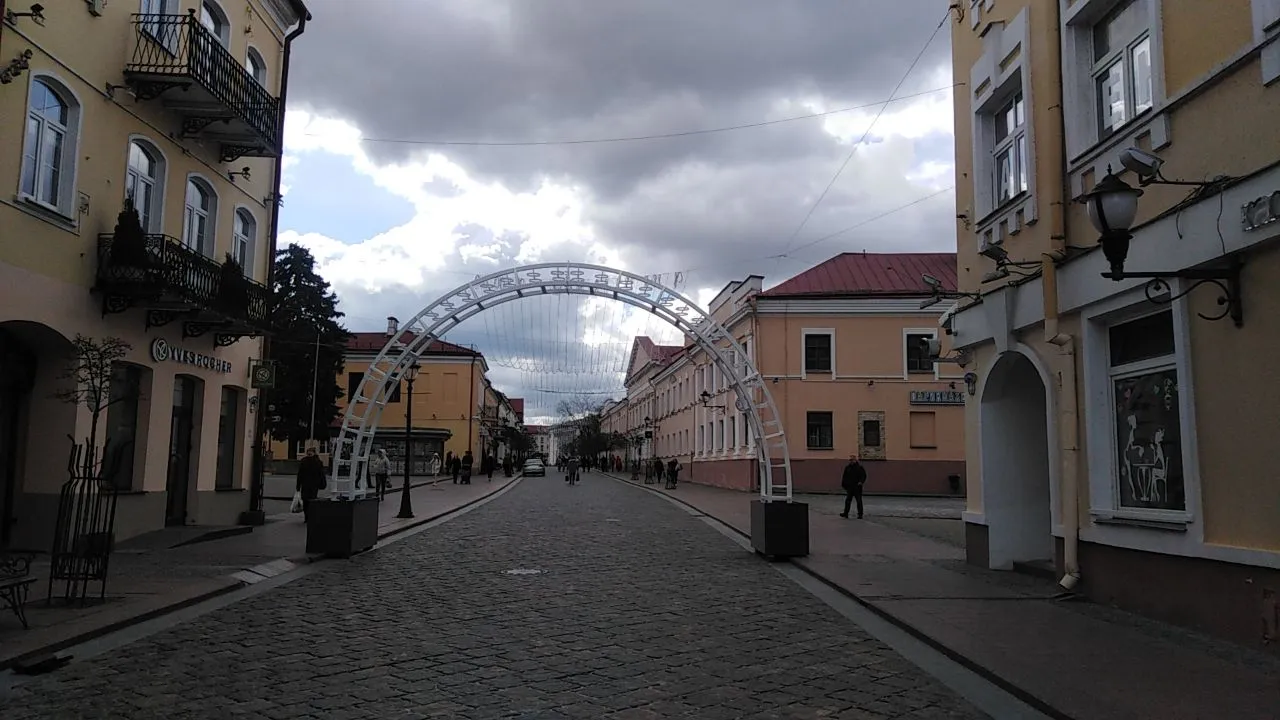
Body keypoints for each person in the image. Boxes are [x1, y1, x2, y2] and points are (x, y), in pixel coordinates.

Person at [296, 447, 326, 523]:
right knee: (305, 501)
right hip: (306, 484)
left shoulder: (317, 462)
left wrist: (322, 483)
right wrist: (298, 486)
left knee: (311, 501)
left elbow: (321, 474)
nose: (309, 453)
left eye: (311, 452)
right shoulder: (304, 461)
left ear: (314, 453)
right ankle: (307, 517)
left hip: (313, 485)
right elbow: (300, 474)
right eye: (308, 452)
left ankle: (310, 517)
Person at [840, 453, 868, 519]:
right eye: (850, 460)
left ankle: (860, 514)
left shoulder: (859, 467)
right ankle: (846, 513)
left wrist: (861, 482)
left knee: (859, 501)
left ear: (855, 460)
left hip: (857, 487)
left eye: (852, 460)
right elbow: (844, 476)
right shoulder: (847, 468)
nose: (851, 461)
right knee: (848, 500)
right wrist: (844, 484)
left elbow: (863, 476)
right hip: (850, 487)